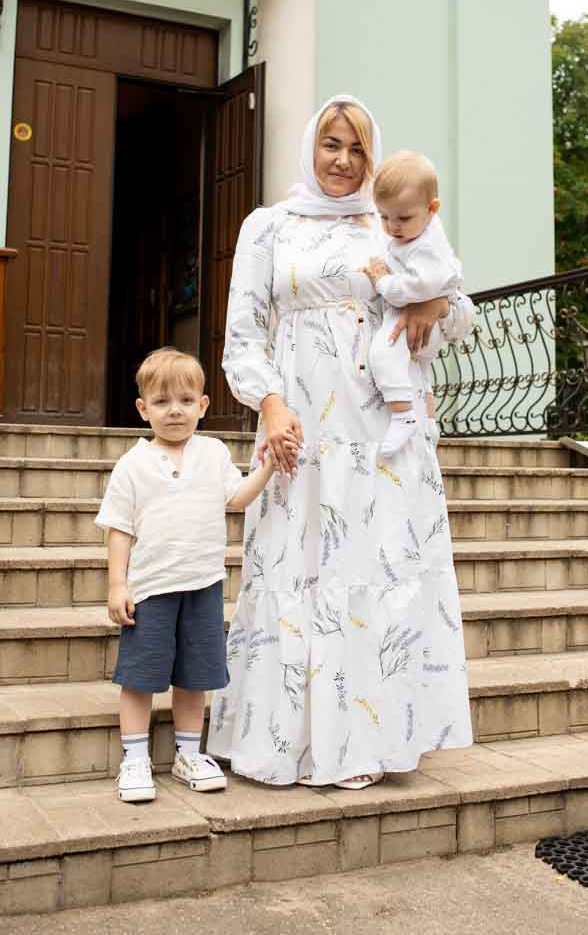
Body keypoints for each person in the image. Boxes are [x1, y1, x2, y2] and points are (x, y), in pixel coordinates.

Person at [208, 95, 474, 789]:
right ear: (310, 146)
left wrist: (434, 303)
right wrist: (269, 405)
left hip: (380, 433)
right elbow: (242, 335)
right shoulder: (269, 227)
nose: (344, 161)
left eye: (358, 148)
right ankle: (283, 741)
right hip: (302, 429)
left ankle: (366, 744)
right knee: (297, 568)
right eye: (332, 144)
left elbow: (461, 308)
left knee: (372, 575)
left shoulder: (390, 223)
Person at [96, 347, 280, 803]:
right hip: (152, 590)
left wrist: (269, 466)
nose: (173, 410)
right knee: (140, 677)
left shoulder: (213, 453)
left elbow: (236, 498)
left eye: (184, 400)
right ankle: (135, 759)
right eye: (161, 402)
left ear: (202, 405)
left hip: (203, 585)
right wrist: (117, 584)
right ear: (143, 409)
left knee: (195, 677)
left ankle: (187, 753)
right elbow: (119, 528)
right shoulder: (132, 465)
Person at [364, 150, 465, 457]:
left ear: (432, 209)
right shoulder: (420, 231)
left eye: (403, 218)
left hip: (414, 320)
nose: (393, 227)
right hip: (419, 327)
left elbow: (416, 287)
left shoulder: (425, 247)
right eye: (384, 217)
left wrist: (382, 281)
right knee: (420, 369)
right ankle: (428, 418)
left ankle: (404, 414)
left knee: (383, 353)